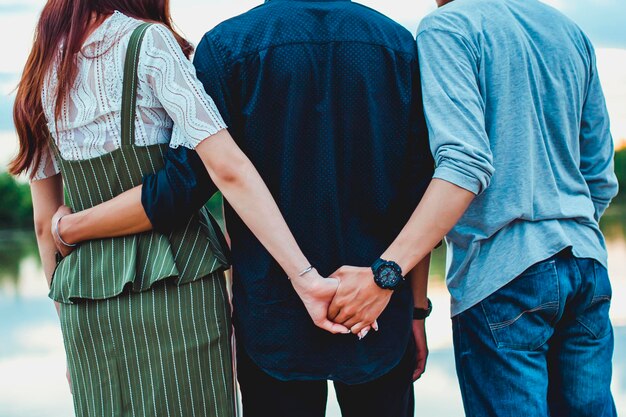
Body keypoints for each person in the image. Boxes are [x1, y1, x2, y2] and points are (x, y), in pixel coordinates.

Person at [49, 0, 438, 416]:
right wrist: (416, 310)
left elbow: (185, 186)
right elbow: (419, 190)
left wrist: (71, 227)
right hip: (378, 313)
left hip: (273, 317)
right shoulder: (398, 44)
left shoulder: (228, 46)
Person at [409, 0, 618, 415]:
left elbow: (463, 163)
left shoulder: (447, 27)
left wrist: (389, 272)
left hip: (502, 273)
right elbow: (599, 174)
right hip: (586, 266)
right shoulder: (567, 31)